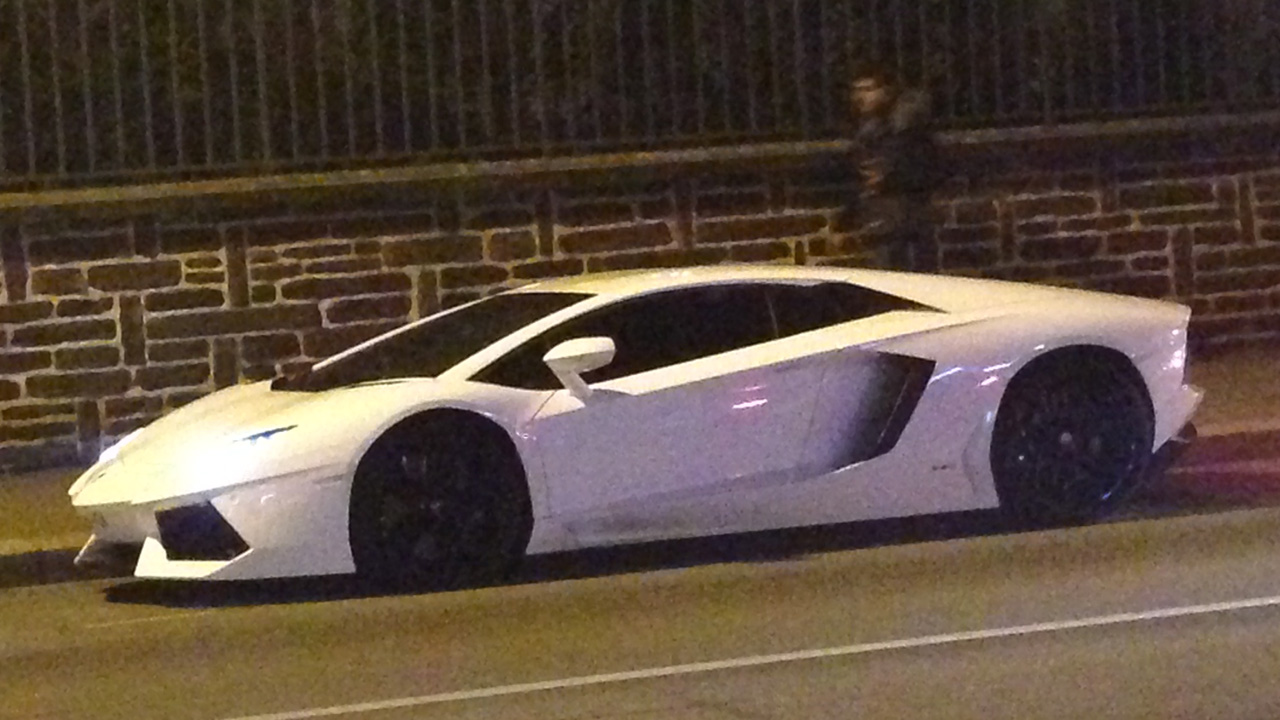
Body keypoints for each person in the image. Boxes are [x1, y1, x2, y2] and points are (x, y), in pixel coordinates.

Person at [845, 61, 944, 273]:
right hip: (882, 219)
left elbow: (927, 170)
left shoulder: (907, 127)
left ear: (888, 91)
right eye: (857, 90)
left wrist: (887, 177)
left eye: (869, 89)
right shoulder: (868, 128)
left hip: (905, 219)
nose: (861, 97)